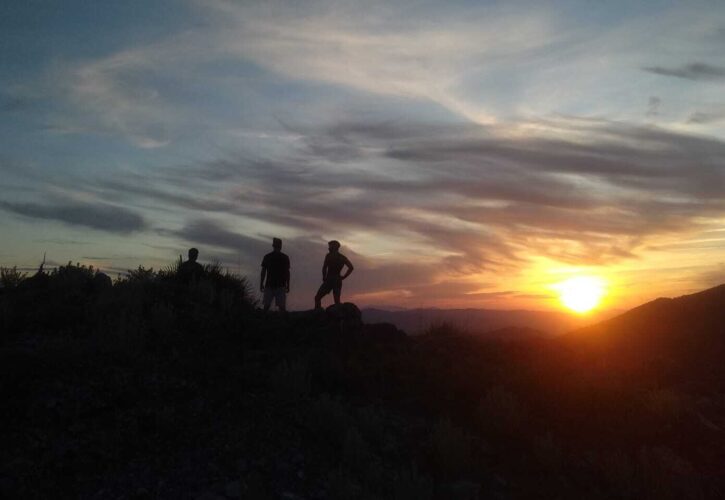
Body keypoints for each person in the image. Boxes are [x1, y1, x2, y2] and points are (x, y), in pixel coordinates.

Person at [315, 240, 354, 309]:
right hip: (337, 279)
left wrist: (324, 277)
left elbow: (324, 267)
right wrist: (344, 276)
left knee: (317, 297)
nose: (328, 248)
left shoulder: (328, 256)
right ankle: (337, 316)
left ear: (334, 247)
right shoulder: (342, 257)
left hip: (329, 279)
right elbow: (351, 267)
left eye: (330, 246)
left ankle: (318, 314)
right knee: (337, 301)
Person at [260, 238, 290, 312]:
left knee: (268, 307)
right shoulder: (284, 257)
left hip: (275, 285)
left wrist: (261, 283)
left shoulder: (268, 257)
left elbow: (263, 271)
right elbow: (287, 273)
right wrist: (288, 285)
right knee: (279, 308)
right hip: (276, 285)